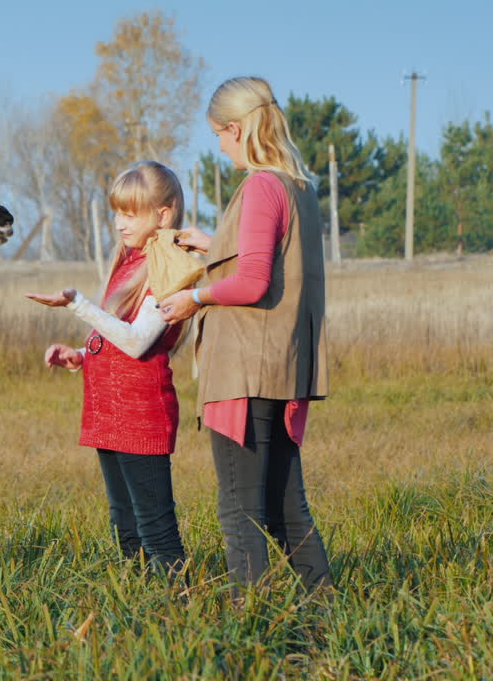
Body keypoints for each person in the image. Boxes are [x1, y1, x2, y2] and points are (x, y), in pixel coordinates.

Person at [158, 76, 333, 592]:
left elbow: (253, 282)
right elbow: (274, 263)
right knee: (285, 507)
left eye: (217, 133)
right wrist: (214, 247)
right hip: (284, 364)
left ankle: (252, 626)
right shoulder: (298, 186)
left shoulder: (259, 185)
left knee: (240, 512)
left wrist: (192, 297)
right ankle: (325, 614)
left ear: (236, 129)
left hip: (245, 368)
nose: (217, 144)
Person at [26, 161, 194, 575]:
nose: (119, 223)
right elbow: (120, 335)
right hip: (109, 410)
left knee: (155, 528)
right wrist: (82, 356)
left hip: (141, 413)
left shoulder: (168, 267)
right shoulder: (130, 262)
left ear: (163, 215)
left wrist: (77, 305)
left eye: (130, 213)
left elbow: (139, 342)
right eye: (117, 212)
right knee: (125, 523)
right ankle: (143, 608)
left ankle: (180, 609)